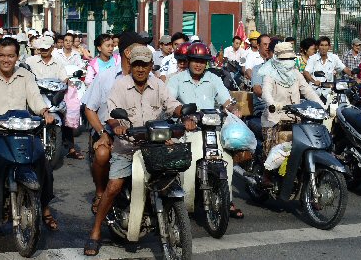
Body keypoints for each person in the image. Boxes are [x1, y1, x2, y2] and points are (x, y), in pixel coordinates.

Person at [83, 45, 195, 256]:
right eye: (137, 65)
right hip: (127, 146)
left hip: (156, 144)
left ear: (151, 65)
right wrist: (117, 125)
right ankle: (95, 231)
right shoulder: (120, 85)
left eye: (145, 64)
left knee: (172, 175)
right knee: (114, 185)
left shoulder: (159, 85)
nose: (141, 69)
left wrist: (185, 115)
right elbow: (111, 113)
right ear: (131, 66)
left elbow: (172, 105)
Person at [0, 37, 58, 230]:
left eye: (10, 56)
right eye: (2, 55)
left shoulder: (26, 76)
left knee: (44, 165)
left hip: (23, 131)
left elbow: (35, 98)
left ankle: (44, 207)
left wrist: (45, 112)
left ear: (17, 57)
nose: (6, 60)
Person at [167, 42, 244, 219]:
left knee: (226, 157)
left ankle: (226, 198)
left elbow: (227, 100)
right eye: (195, 60)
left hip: (211, 129)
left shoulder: (213, 79)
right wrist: (183, 117)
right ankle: (184, 203)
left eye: (202, 61)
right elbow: (169, 104)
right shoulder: (176, 80)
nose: (198, 64)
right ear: (188, 61)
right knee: (189, 159)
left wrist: (234, 109)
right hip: (186, 131)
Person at [83, 31, 148, 215]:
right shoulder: (106, 77)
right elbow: (90, 108)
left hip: (139, 133)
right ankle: (100, 192)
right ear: (128, 53)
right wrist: (102, 132)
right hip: (109, 132)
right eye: (140, 47)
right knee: (103, 154)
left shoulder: (148, 77)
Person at [259, 42, 323, 186]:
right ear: (277, 59)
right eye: (284, 59)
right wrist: (272, 104)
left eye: (290, 59)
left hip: (296, 118)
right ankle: (266, 175)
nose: (288, 62)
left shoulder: (296, 74)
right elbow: (266, 93)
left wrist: (322, 106)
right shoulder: (269, 73)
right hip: (274, 118)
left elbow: (308, 91)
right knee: (272, 146)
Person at [303, 36, 354, 101]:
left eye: (326, 45)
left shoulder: (334, 57)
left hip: (328, 92)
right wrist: (314, 81)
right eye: (321, 45)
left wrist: (353, 75)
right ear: (318, 47)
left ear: (329, 47)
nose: (324, 48)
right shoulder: (313, 58)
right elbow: (306, 72)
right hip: (314, 92)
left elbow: (344, 68)